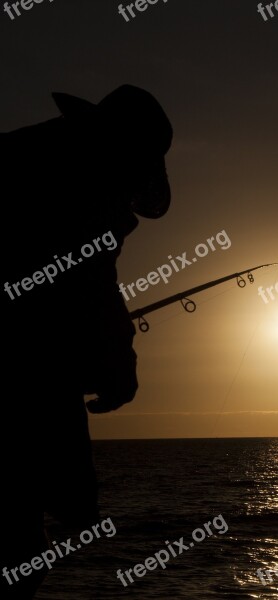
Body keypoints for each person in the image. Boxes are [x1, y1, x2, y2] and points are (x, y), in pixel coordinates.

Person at [1, 84, 173, 598]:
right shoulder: (82, 194)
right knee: (21, 551)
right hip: (24, 394)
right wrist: (117, 369)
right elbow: (87, 295)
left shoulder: (24, 153)